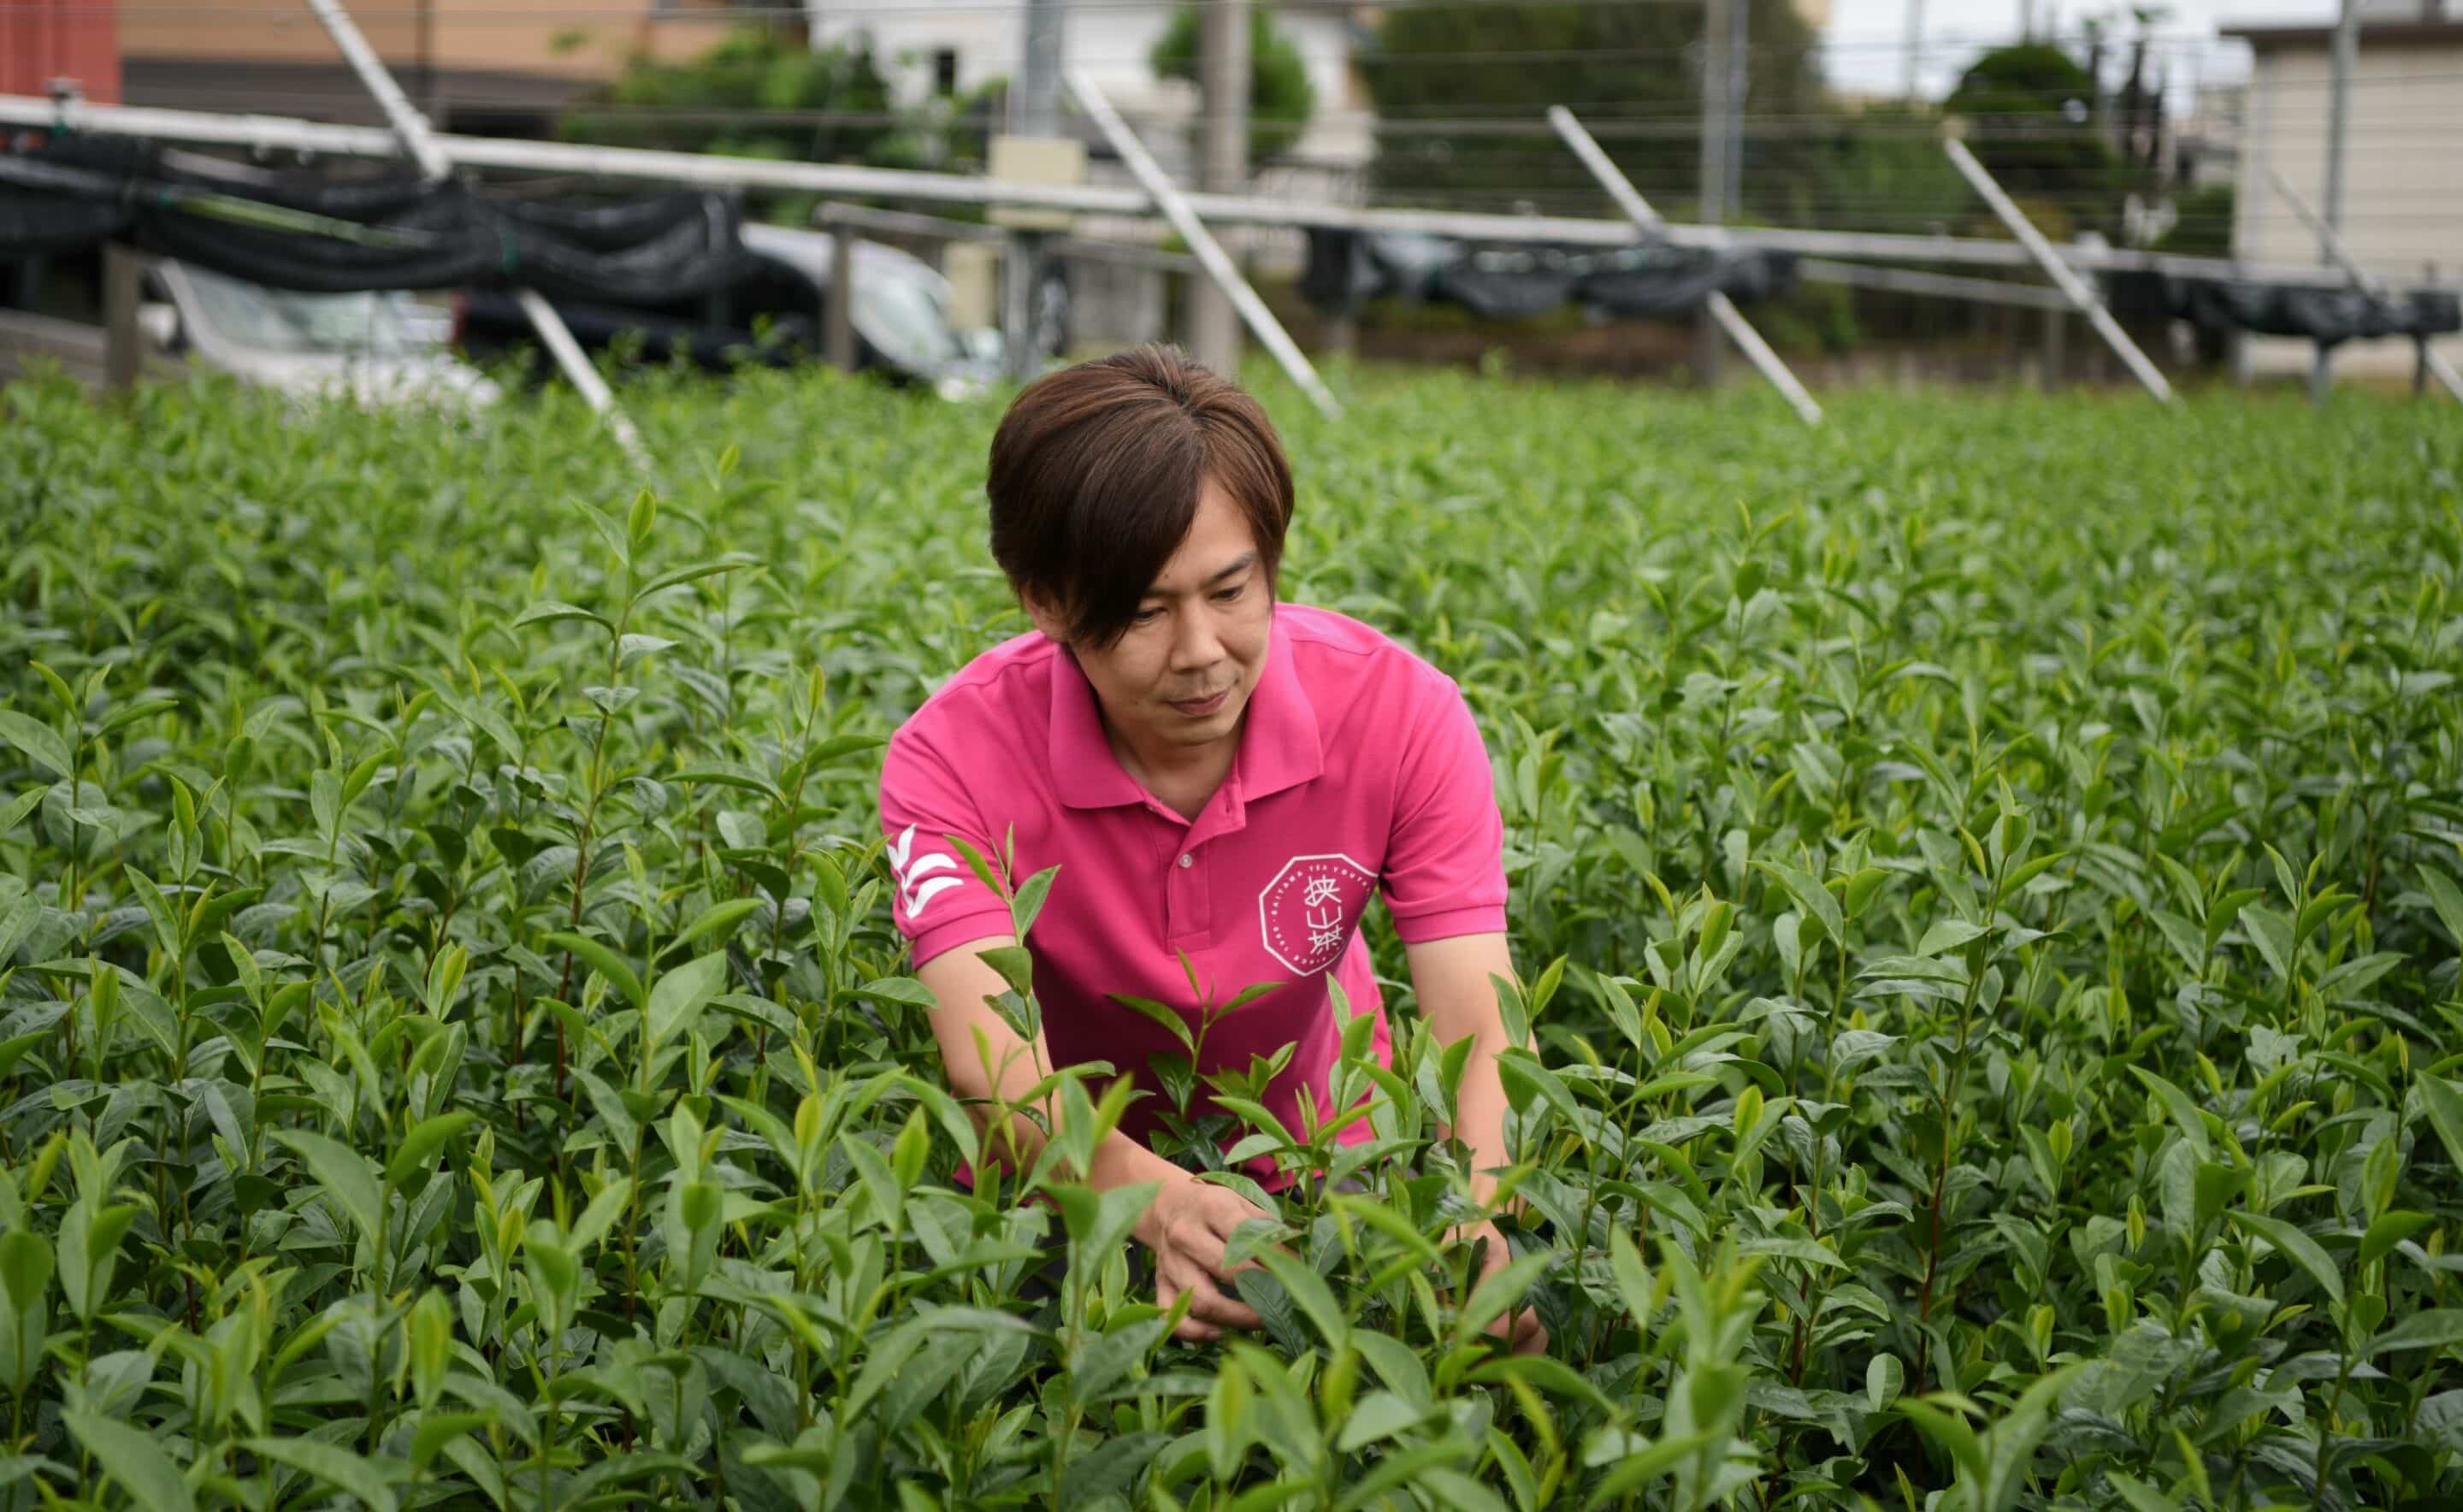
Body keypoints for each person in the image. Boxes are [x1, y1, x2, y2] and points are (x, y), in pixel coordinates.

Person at [877, 345, 1545, 1355]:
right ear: (1044, 598)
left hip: (1326, 1165)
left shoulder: (1400, 713)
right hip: (1069, 1182)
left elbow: (1484, 1026)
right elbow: (992, 1065)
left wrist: (1478, 1219)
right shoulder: (953, 756)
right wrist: (1152, 1206)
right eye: (1144, 611)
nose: (1200, 651)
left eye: (1231, 591)